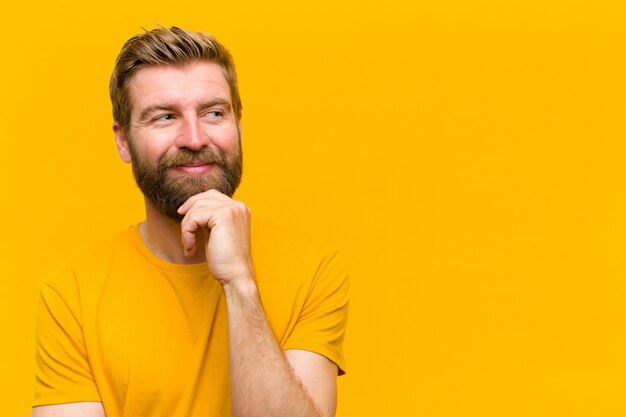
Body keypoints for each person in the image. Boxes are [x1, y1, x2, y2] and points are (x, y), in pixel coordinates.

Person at [31, 26, 349, 417]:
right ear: (123, 140)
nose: (195, 138)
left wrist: (240, 284)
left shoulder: (314, 271)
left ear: (239, 126)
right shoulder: (71, 294)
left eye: (214, 113)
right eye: (165, 117)